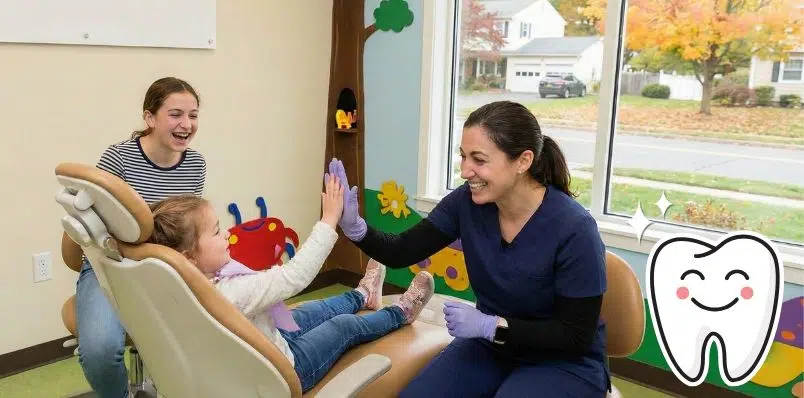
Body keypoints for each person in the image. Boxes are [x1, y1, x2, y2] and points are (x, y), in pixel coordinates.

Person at [326, 100, 610, 397]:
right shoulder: (467, 203)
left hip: (563, 362)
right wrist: (356, 227)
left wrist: (493, 326)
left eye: (479, 159)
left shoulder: (575, 229)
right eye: (463, 157)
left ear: (523, 161)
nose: (465, 171)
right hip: (491, 347)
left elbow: (576, 335)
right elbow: (403, 251)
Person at [146, 174, 436, 393]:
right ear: (189, 258)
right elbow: (295, 275)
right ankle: (400, 313)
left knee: (313, 310)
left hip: (268, 340)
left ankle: (364, 294)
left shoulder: (179, 287)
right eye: (217, 232)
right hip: (287, 369)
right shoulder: (230, 294)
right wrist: (329, 218)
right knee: (343, 326)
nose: (227, 236)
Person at [75, 77, 207, 398]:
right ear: (150, 118)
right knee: (100, 352)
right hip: (109, 267)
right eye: (175, 114)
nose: (186, 124)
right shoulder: (118, 158)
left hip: (164, 269)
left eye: (193, 115)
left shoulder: (195, 165)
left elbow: (185, 230)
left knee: (211, 336)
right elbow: (91, 225)